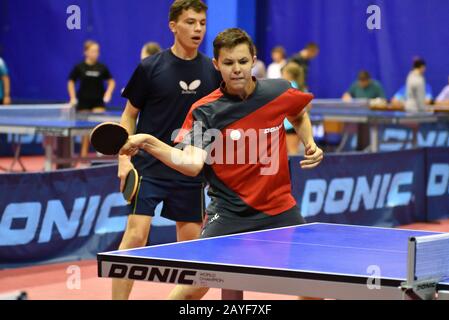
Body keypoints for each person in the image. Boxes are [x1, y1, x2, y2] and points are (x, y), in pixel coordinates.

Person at [120, 28, 324, 300]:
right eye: (228, 63)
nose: (236, 69)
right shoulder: (205, 110)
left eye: (242, 61)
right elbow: (191, 164)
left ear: (253, 59)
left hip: (279, 209)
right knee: (190, 290)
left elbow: (298, 112)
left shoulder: (278, 91)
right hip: (228, 214)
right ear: (217, 65)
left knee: (313, 287)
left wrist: (309, 141)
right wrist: (148, 141)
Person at [112, 0, 222, 300]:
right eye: (190, 22)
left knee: (194, 259)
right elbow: (128, 115)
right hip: (148, 167)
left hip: (188, 170)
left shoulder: (213, 71)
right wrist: (123, 159)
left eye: (201, 22)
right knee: (135, 238)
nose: (197, 28)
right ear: (173, 26)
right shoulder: (151, 67)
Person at [68, 40, 116, 157]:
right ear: (86, 52)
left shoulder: (102, 67)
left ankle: (101, 154)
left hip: (98, 102)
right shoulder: (79, 67)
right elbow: (71, 81)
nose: (95, 53)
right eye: (93, 51)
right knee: (85, 132)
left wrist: (108, 94)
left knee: (99, 129)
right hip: (83, 102)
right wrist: (73, 97)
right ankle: (83, 157)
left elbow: (111, 82)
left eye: (97, 51)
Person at [281, 62, 306, 154]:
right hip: (298, 124)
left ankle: (293, 169)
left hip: (289, 125)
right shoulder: (301, 87)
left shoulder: (288, 87)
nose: (282, 76)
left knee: (292, 152)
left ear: (288, 74)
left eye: (283, 73)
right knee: (292, 151)